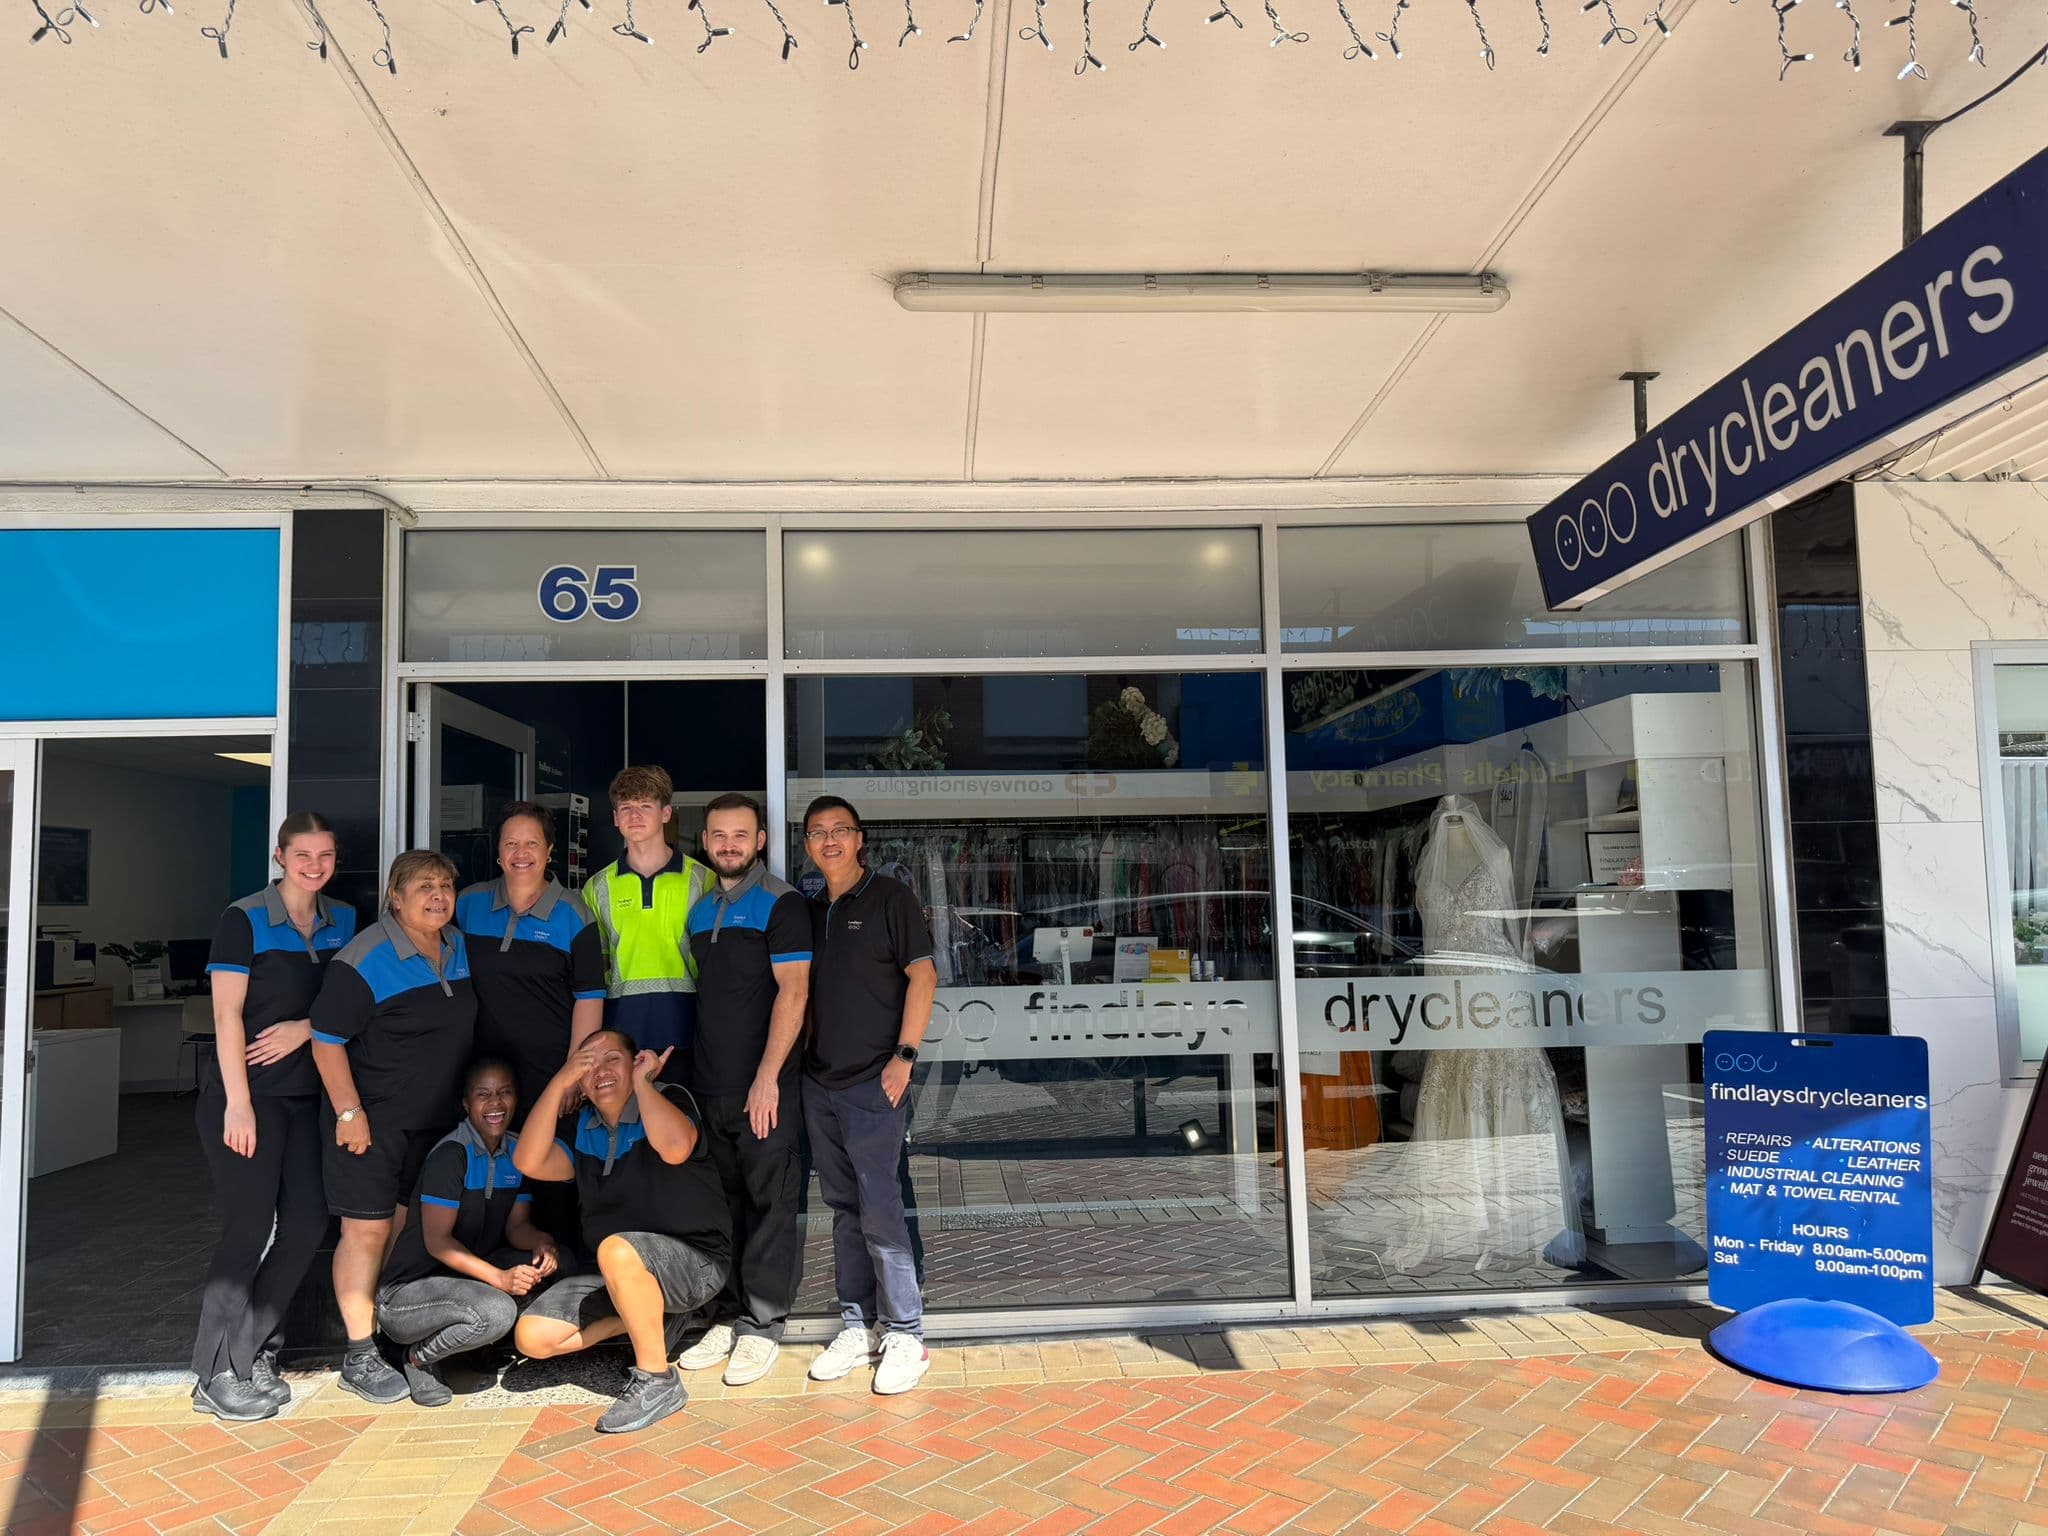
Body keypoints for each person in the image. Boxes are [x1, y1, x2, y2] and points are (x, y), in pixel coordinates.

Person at [190, 812, 355, 1422]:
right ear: (281, 856)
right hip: (248, 1101)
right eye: (303, 856)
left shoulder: (344, 921)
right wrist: (238, 1102)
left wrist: (304, 1028)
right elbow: (227, 1017)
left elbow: (349, 1004)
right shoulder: (245, 919)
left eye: (326, 857)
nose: (314, 867)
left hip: (309, 1099)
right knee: (248, 1227)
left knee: (309, 1224)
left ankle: (250, 1349)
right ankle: (211, 1374)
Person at [311, 849, 478, 1405]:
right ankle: (358, 1352)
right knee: (366, 1231)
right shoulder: (366, 957)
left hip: (429, 1126)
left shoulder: (455, 948)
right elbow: (326, 1039)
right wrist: (349, 1113)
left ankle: (382, 1334)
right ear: (395, 897)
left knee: (402, 1224)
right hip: (371, 1123)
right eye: (424, 887)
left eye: (445, 886)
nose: (437, 895)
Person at [511, 1031, 732, 1435]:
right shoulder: (582, 1128)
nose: (600, 1070)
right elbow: (528, 1160)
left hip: (695, 1261)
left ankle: (657, 1380)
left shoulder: (667, 1098)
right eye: (588, 1064)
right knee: (532, 1337)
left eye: (613, 1059)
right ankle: (656, 1318)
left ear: (635, 1064)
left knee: (616, 1249)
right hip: (619, 1272)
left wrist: (644, 1084)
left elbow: (677, 1147)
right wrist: (560, 1081)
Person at [799, 795, 937, 1396]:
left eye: (840, 831)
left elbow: (923, 976)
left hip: (874, 1081)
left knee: (880, 1206)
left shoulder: (889, 898)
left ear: (859, 840)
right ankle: (858, 1324)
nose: (829, 841)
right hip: (820, 1084)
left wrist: (904, 1058)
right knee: (843, 1205)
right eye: (817, 833)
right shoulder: (806, 910)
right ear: (807, 845)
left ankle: (905, 1331)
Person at [673, 793, 811, 1387]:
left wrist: (767, 1077)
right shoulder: (701, 911)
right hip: (711, 1086)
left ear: (760, 841)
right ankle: (727, 1316)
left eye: (740, 835)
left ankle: (762, 1325)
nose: (728, 845)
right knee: (724, 1206)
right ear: (705, 841)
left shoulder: (783, 903)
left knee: (770, 1204)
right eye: (718, 835)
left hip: (765, 1088)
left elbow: (794, 993)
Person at [456, 801, 606, 1252]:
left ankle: (560, 1285)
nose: (521, 853)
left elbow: (589, 999)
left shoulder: (573, 914)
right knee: (488, 1175)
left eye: (532, 844)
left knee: (551, 1185)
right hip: (485, 1075)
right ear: (498, 852)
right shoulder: (469, 904)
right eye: (511, 844)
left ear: (550, 851)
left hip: (549, 1078)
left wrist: (573, 1076)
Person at [375, 1058, 561, 1406]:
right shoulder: (452, 1154)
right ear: (467, 1104)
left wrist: (542, 1245)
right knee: (496, 1311)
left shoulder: (517, 1150)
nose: (495, 1103)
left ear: (516, 1099)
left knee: (551, 1271)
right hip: (408, 1297)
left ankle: (473, 1349)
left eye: (504, 1093)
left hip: (464, 1284)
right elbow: (437, 1241)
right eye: (483, 1094)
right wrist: (500, 1278)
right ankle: (417, 1358)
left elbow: (517, 1226)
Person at [582, 766, 714, 1086]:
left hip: (688, 1027)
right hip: (621, 1032)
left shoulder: (703, 880)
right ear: (615, 818)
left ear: (666, 813)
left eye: (645, 806)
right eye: (626, 808)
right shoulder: (596, 888)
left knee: (682, 1126)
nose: (634, 815)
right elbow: (593, 973)